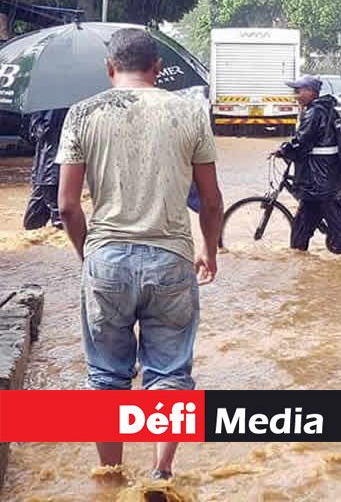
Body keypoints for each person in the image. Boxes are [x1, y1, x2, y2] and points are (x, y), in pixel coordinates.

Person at [56, 28, 224, 483]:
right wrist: (210, 249)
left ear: (111, 69)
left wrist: (88, 254)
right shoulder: (189, 112)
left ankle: (110, 475)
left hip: (106, 258)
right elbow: (210, 201)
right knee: (170, 374)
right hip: (171, 257)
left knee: (107, 378)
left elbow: (67, 206)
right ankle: (161, 473)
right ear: (156, 69)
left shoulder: (82, 113)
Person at [275, 74, 341, 253]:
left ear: (311, 92)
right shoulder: (327, 109)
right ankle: (299, 266)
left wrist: (284, 150)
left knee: (339, 232)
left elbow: (302, 142)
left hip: (320, 183)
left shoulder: (314, 112)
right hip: (319, 182)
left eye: (299, 91)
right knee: (300, 232)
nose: (295, 95)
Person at [23, 108, 67, 230]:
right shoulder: (66, 103)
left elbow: (39, 132)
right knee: (33, 221)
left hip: (49, 169)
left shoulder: (48, 105)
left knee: (58, 218)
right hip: (49, 169)